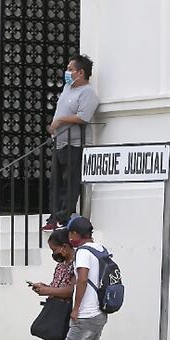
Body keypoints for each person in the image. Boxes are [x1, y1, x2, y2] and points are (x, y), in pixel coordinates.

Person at [58, 216, 107, 340]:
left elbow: (83, 280)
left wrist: (76, 308)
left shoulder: (83, 253)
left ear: (76, 234)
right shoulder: (100, 248)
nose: (69, 237)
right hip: (100, 312)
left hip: (86, 315)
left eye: (70, 233)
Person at [44, 54, 99, 230]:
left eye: (70, 69)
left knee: (70, 180)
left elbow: (84, 117)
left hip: (75, 143)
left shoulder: (88, 92)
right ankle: (53, 216)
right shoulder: (68, 88)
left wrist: (60, 122)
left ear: (81, 72)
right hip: (59, 141)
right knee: (56, 181)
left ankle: (64, 215)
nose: (67, 72)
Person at [29, 228, 75, 340]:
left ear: (64, 247)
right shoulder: (62, 265)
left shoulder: (75, 265)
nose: (54, 254)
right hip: (56, 311)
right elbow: (59, 287)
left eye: (55, 249)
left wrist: (48, 291)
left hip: (63, 314)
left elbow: (69, 291)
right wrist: (45, 288)